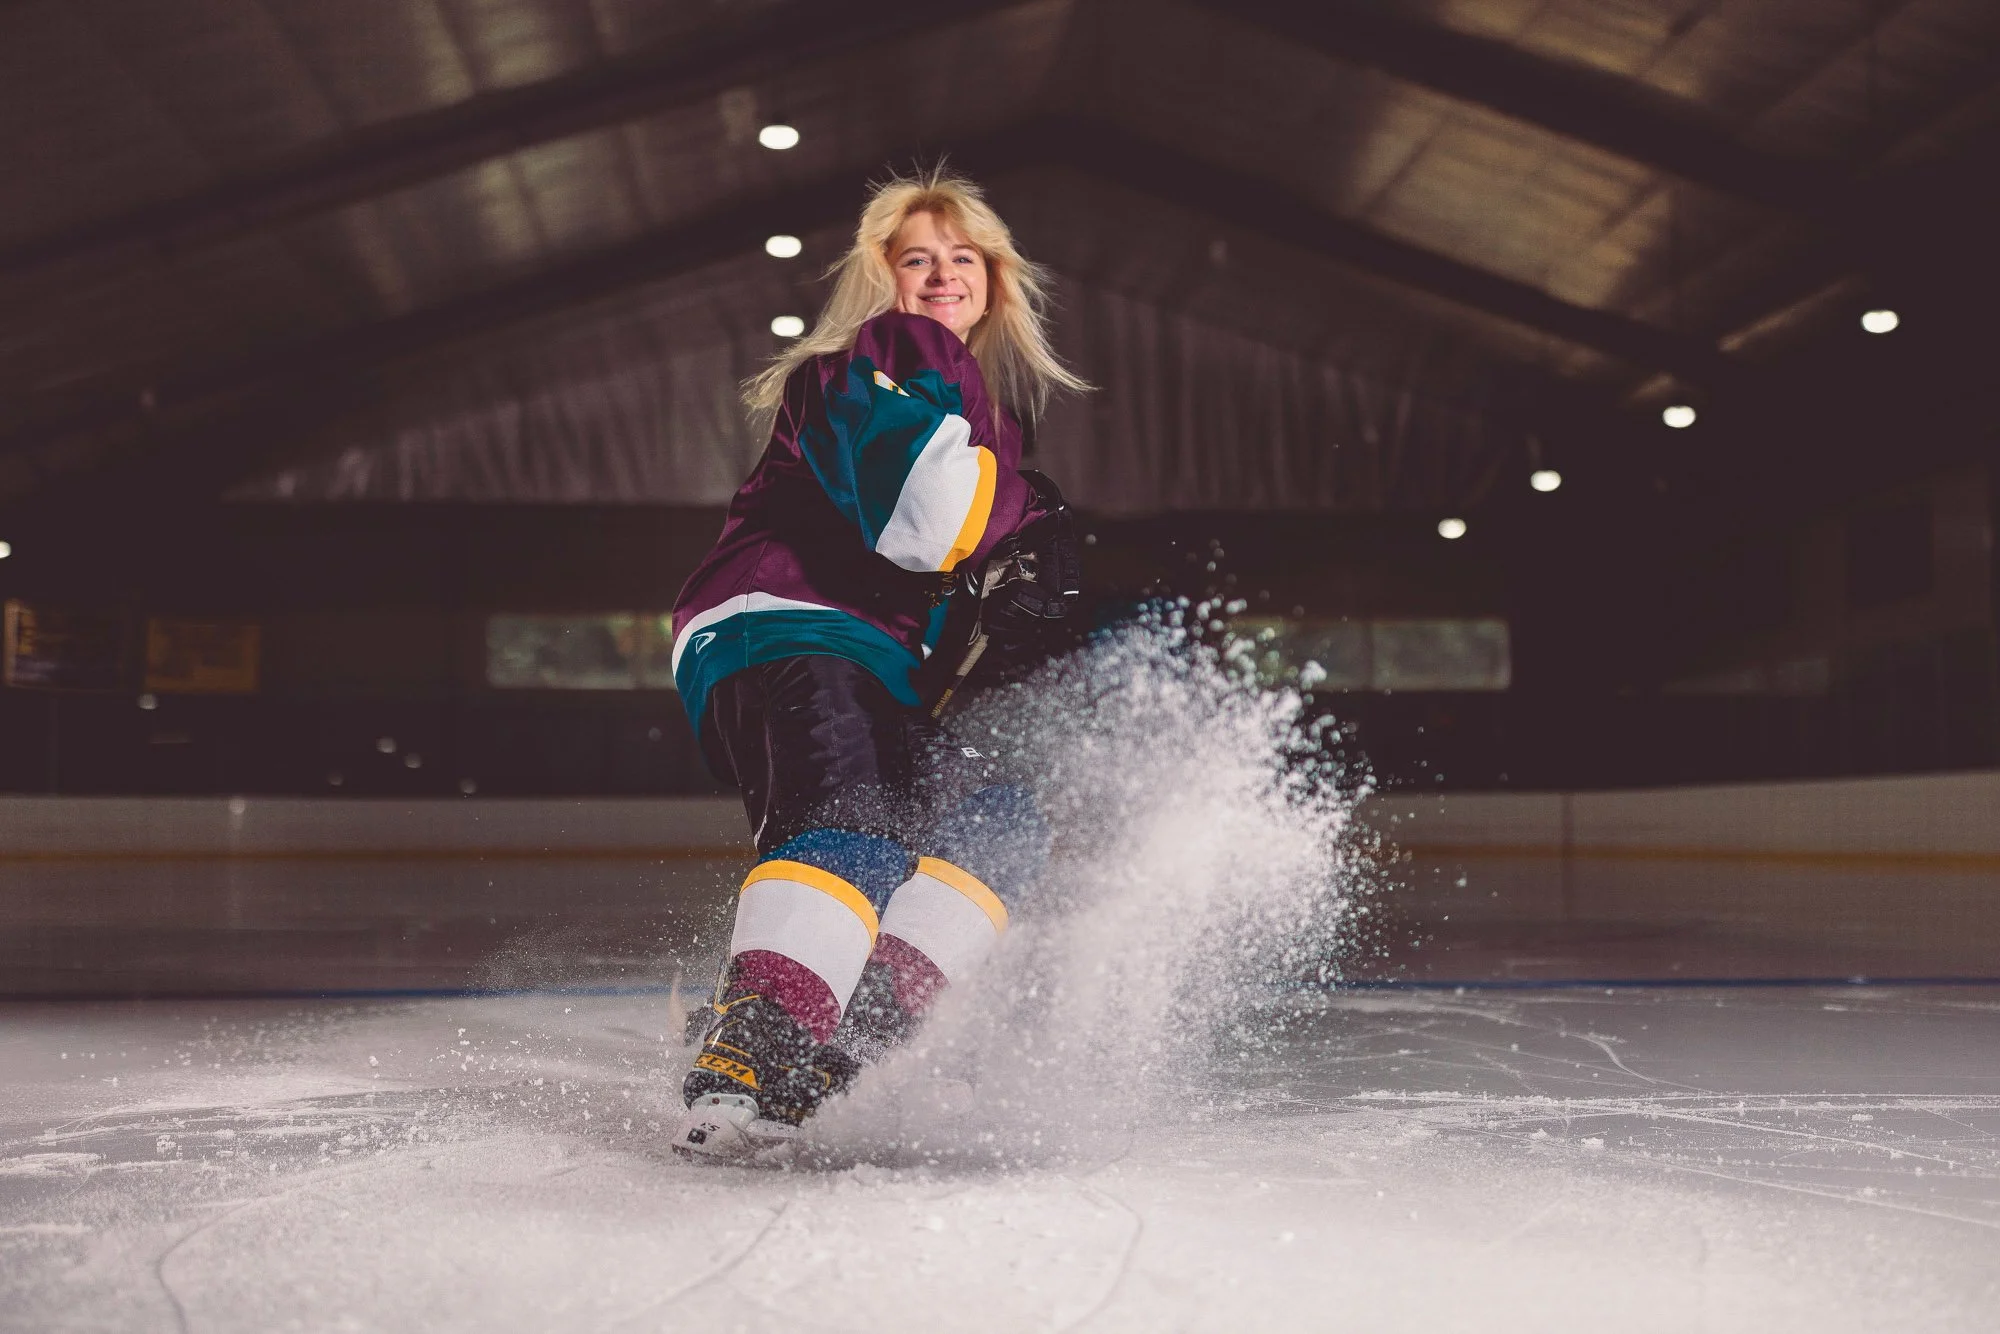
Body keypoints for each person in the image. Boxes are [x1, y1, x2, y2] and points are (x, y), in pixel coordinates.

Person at [666, 168, 1088, 1161]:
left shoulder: (979, 404)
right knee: (852, 818)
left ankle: (834, 1036)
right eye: (915, 259)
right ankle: (748, 1057)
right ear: (880, 279)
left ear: (994, 277)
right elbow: (926, 527)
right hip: (789, 621)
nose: (941, 275)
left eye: (961, 257)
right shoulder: (895, 350)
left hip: (873, 655)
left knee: (1000, 826)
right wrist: (1017, 520)